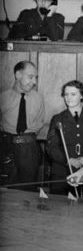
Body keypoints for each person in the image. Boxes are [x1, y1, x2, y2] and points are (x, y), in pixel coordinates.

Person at [46, 80, 83, 195]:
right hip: (62, 172)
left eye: (73, 94)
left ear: (82, 95)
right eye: (66, 94)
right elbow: (51, 147)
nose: (68, 98)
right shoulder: (57, 119)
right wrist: (67, 160)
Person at [0, 61, 45, 190]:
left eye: (35, 78)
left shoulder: (38, 98)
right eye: (30, 77)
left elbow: (39, 123)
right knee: (5, 189)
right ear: (18, 75)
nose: (34, 82)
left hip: (29, 149)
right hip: (6, 148)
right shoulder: (3, 97)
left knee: (28, 189)